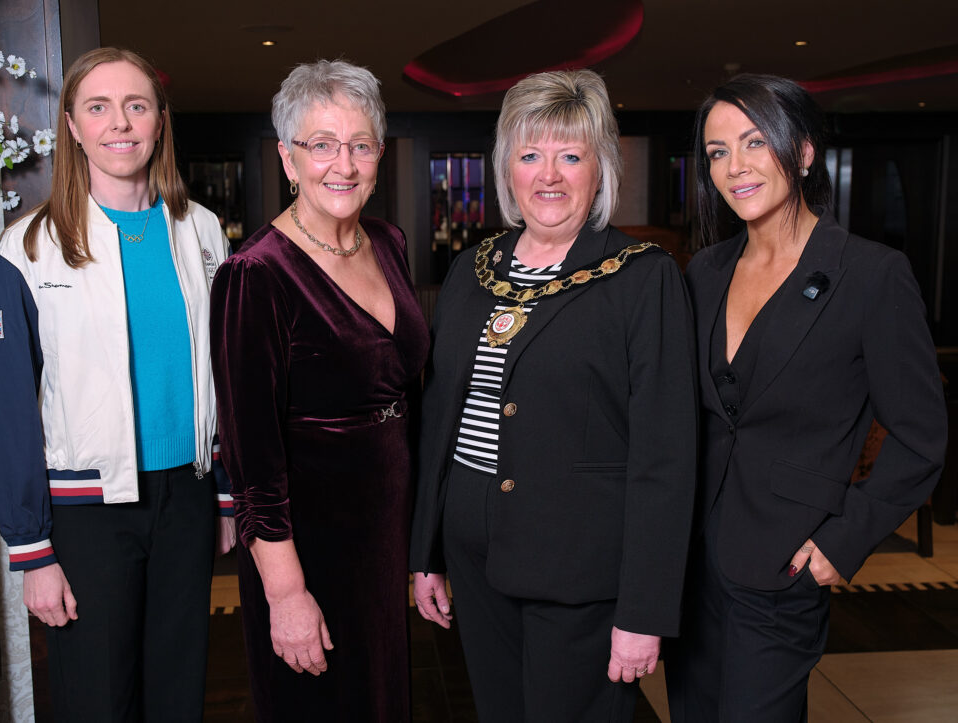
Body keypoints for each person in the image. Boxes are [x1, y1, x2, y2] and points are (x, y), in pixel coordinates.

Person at [409, 69, 697, 723]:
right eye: (530, 154)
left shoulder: (641, 278)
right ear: (506, 167)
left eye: (571, 155)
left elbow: (666, 456)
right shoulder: (473, 269)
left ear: (601, 168)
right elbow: (439, 419)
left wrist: (644, 610)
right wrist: (425, 551)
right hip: (475, 557)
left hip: (582, 573)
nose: (549, 175)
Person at [663, 74, 948, 722]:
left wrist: (841, 542)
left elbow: (920, 434)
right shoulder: (702, 273)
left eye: (755, 142)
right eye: (716, 151)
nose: (735, 167)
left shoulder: (871, 275)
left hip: (782, 566)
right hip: (688, 567)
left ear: (805, 150)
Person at [0, 47, 233, 720]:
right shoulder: (27, 248)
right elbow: (8, 411)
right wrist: (32, 550)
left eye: (136, 105)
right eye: (99, 107)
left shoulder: (204, 232)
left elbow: (228, 373)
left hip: (187, 497)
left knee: (177, 694)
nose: (119, 123)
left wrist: (229, 491)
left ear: (159, 121)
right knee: (97, 699)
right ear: (71, 125)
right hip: (85, 512)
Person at [210, 59, 429, 721]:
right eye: (322, 144)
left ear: (379, 154)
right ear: (287, 156)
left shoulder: (387, 242)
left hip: (384, 533)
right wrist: (286, 593)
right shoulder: (255, 274)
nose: (344, 163)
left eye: (361, 145)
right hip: (308, 544)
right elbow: (252, 459)